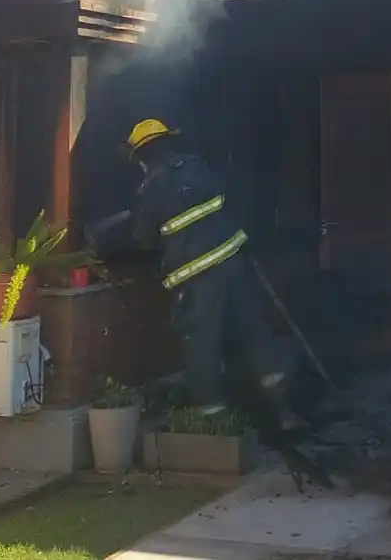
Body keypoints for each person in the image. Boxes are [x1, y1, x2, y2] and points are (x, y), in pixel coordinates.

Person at [122, 118, 331, 487]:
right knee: (256, 336)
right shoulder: (197, 166)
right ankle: (284, 411)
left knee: (201, 345)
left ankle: (213, 423)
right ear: (168, 143)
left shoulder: (148, 189)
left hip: (197, 278)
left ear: (141, 155)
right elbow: (223, 201)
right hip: (235, 262)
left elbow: (142, 240)